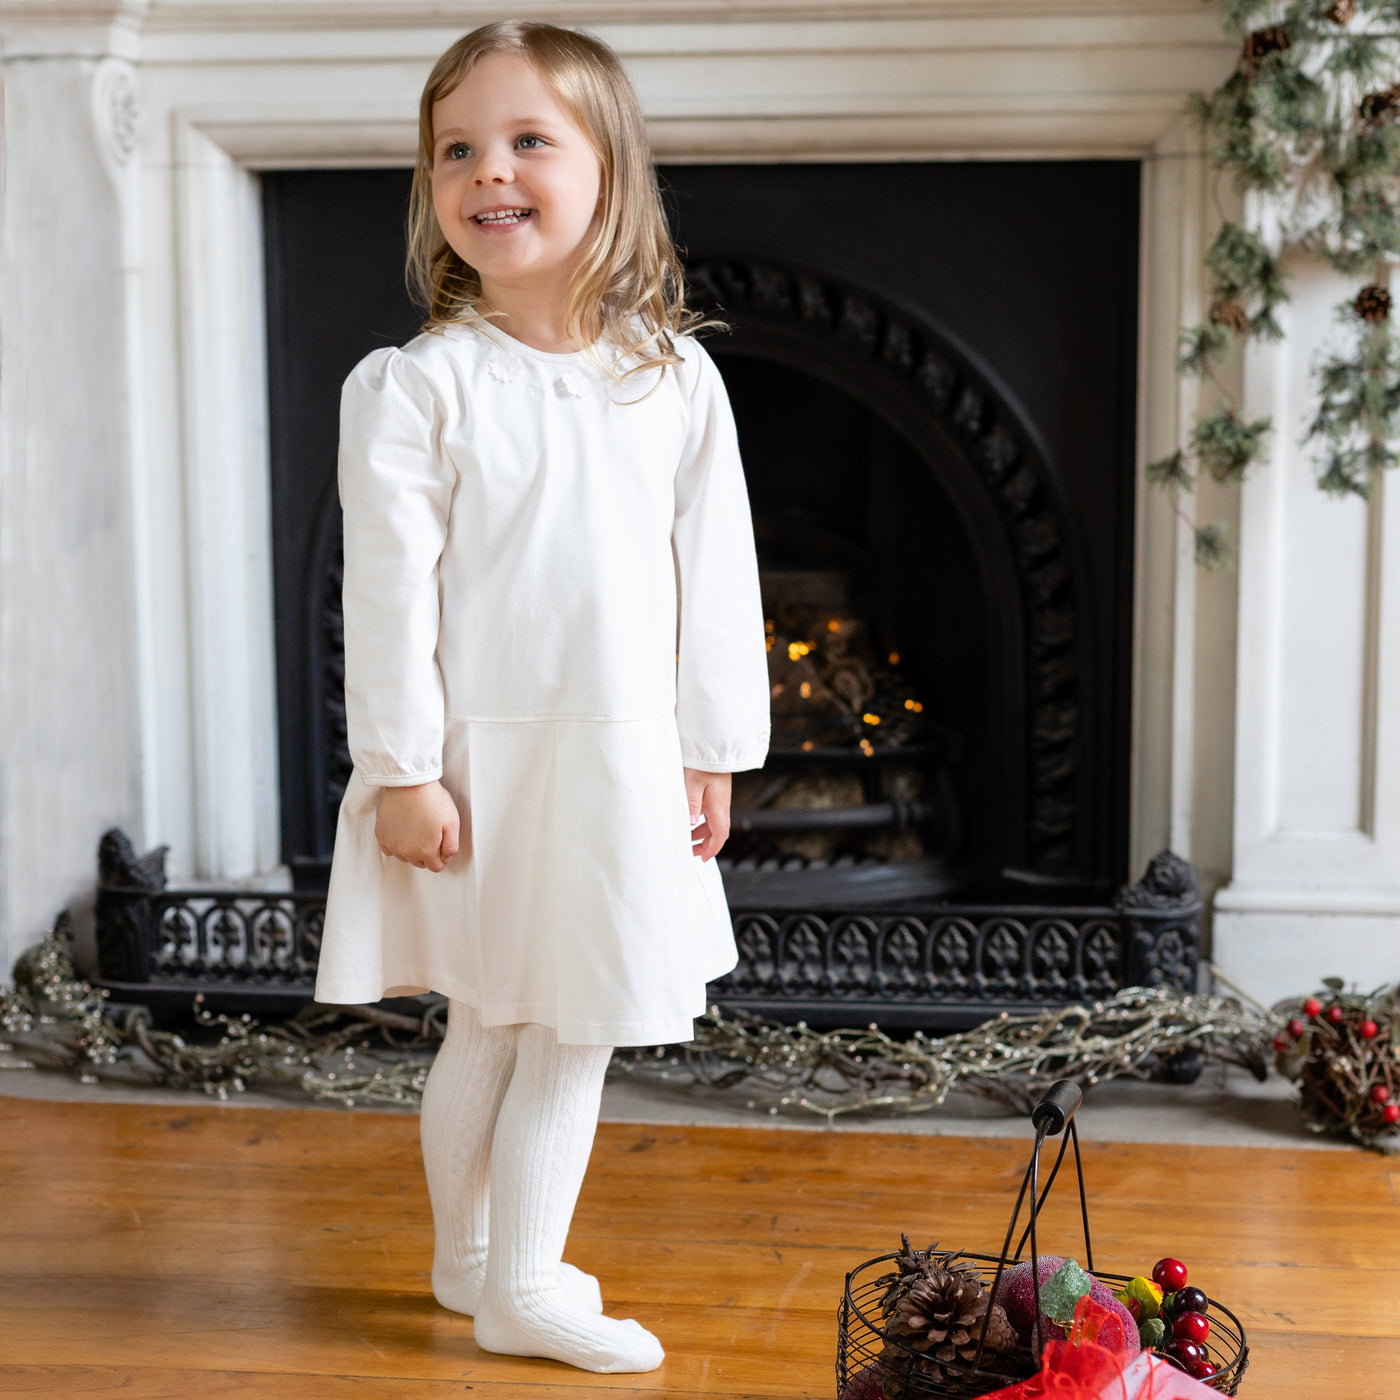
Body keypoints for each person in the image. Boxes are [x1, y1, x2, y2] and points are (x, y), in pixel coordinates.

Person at [311, 18, 771, 1377]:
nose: (488, 172)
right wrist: (401, 770)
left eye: (527, 141)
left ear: (608, 169)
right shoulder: (419, 388)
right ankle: (509, 1282)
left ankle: (481, 1266)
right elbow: (388, 598)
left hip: (621, 762)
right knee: (510, 1021)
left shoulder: (671, 377)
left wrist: (711, 749)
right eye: (456, 150)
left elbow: (716, 576)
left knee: (559, 1021)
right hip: (478, 768)